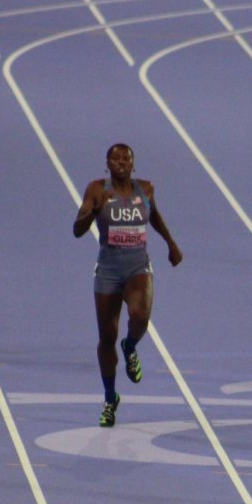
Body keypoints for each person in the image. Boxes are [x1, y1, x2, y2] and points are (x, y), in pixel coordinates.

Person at [73, 143, 182, 428]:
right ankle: (110, 398)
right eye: (115, 158)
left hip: (137, 267)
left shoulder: (145, 189)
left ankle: (131, 345)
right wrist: (93, 210)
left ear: (133, 165)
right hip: (108, 271)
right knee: (106, 339)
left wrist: (170, 243)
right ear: (107, 163)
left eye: (126, 158)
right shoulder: (96, 189)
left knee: (140, 316)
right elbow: (77, 229)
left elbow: (154, 215)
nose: (121, 162)